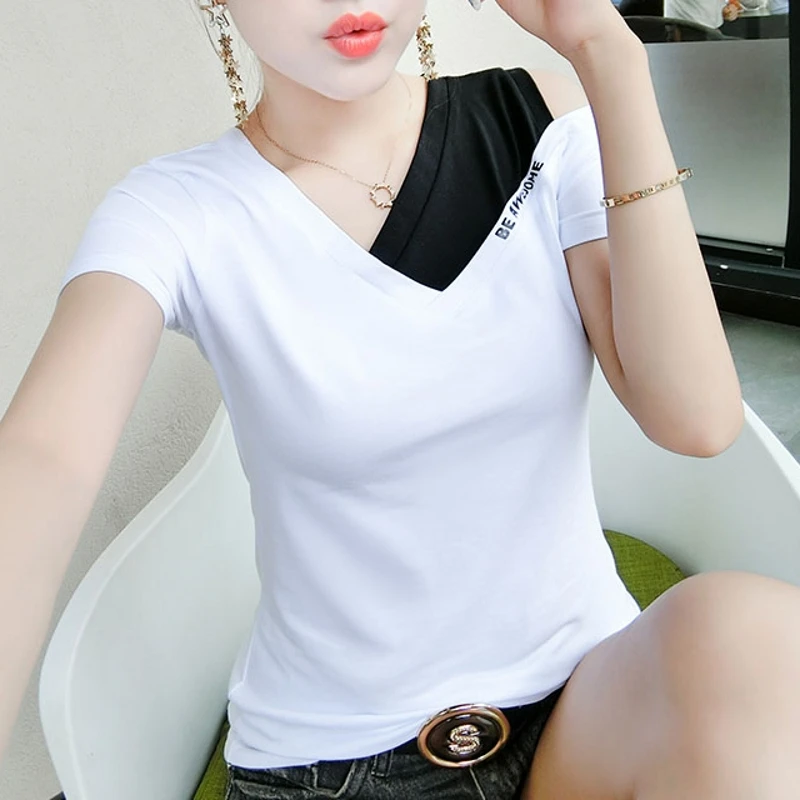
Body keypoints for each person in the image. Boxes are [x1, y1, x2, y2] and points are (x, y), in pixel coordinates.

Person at [2, 1, 800, 798]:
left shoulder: (539, 120)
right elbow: (43, 459)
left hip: (586, 701)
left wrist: (609, 55)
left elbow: (696, 419)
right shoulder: (174, 213)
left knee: (752, 634)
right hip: (341, 764)